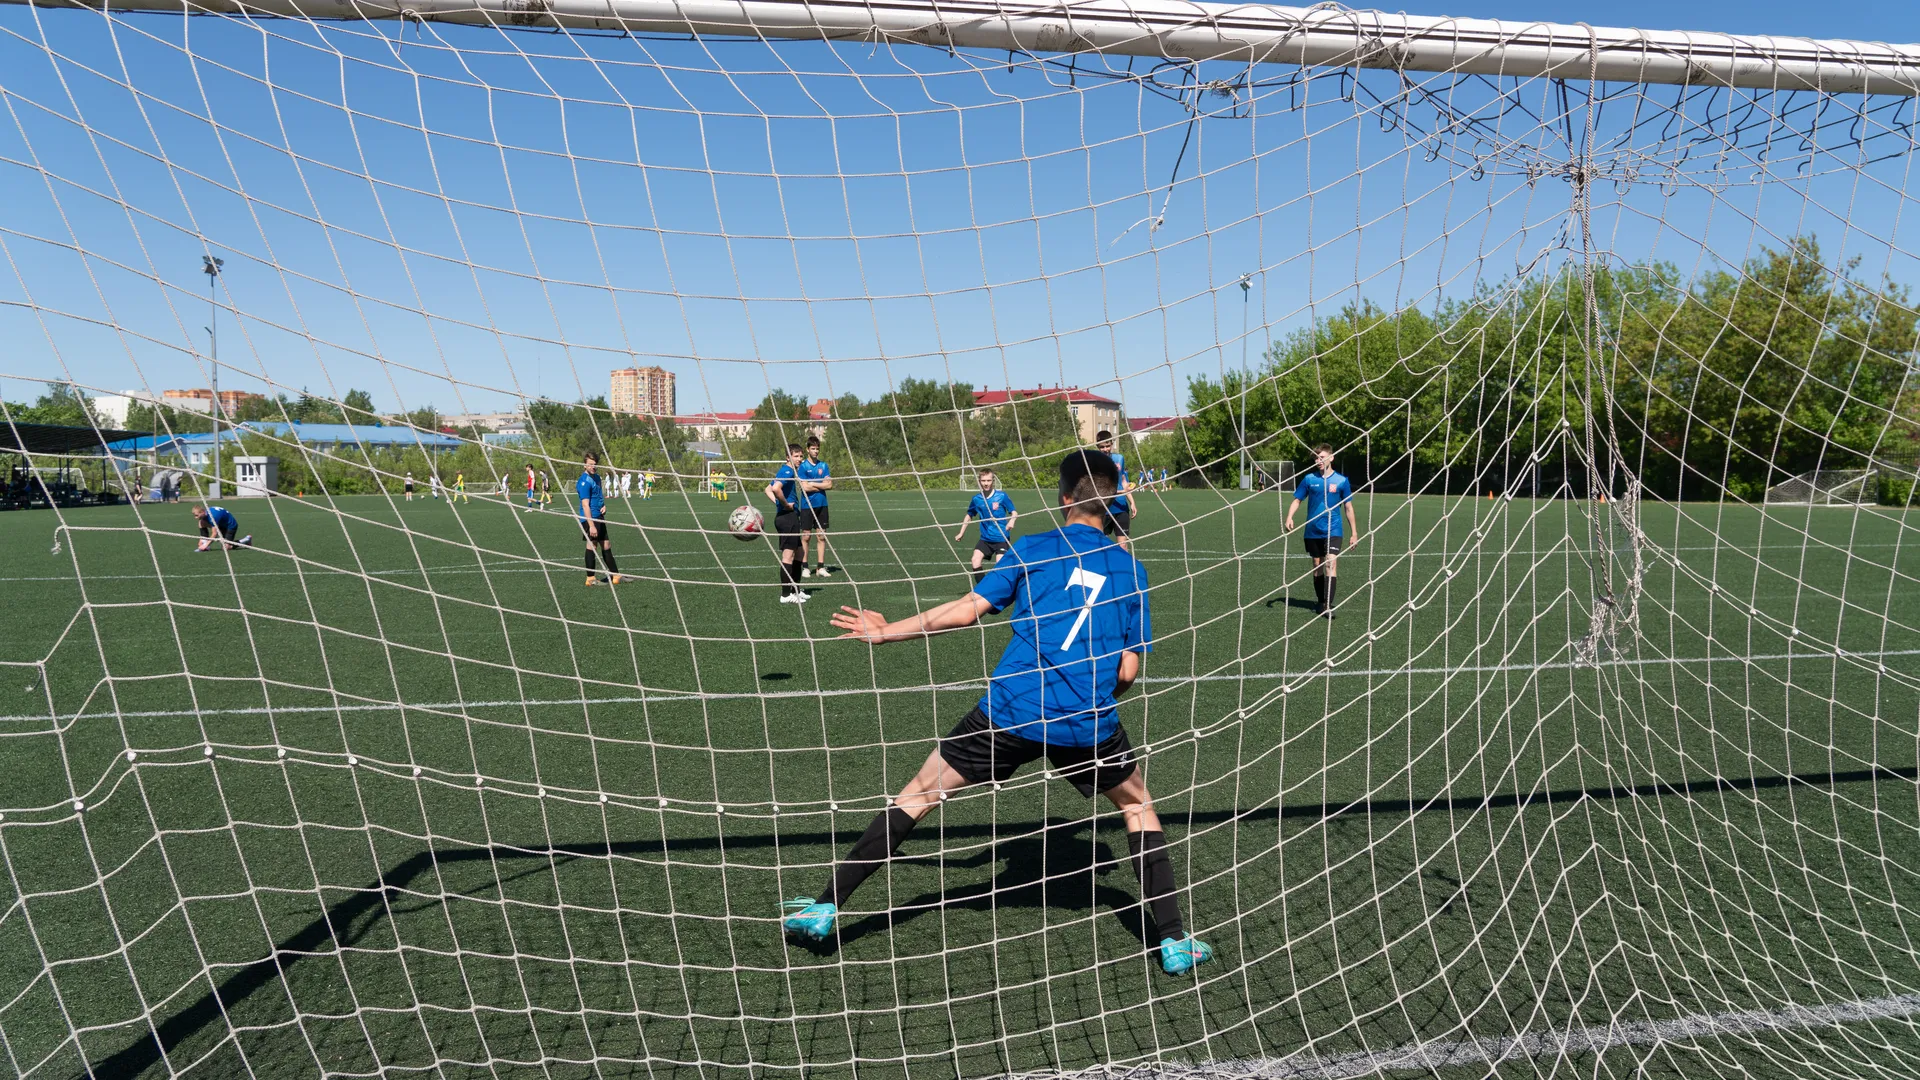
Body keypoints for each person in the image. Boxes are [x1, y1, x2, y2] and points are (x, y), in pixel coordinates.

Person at [784, 450, 1213, 975]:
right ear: (1114, 502)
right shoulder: (1132, 569)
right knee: (1137, 805)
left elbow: (967, 611)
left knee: (919, 794)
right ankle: (1171, 939)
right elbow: (1126, 672)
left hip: (1009, 712)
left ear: (1064, 498)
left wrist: (885, 630)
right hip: (1086, 722)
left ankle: (827, 905)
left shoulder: (1031, 547)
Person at [1283, 443, 1360, 619]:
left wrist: (1354, 533)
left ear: (1331, 458)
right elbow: (1297, 500)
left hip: (1333, 530)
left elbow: (1348, 507)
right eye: (1316, 458)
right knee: (1317, 566)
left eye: (1322, 457)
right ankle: (1320, 601)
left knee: (1330, 563)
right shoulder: (1309, 479)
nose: (1318, 460)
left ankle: (1327, 605)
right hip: (1312, 530)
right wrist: (1289, 517)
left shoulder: (1341, 481)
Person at [954, 468, 1017, 587]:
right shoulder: (976, 499)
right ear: (979, 481)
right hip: (986, 538)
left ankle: (1004, 588)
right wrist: (961, 532)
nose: (986, 483)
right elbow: (969, 515)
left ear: (993, 480)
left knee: (1000, 565)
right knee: (975, 560)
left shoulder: (1002, 496)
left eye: (989, 480)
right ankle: (983, 589)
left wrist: (1011, 522)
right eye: (983, 480)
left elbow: (1014, 512)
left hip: (1001, 538)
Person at [764, 445, 810, 604]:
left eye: (800, 456)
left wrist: (779, 503)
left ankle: (795, 590)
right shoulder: (787, 471)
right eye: (796, 456)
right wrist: (784, 504)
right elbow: (776, 489)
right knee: (788, 555)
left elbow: (767, 489)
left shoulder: (788, 471)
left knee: (799, 553)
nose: (799, 459)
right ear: (788, 457)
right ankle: (785, 595)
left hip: (790, 517)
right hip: (787, 518)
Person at [577, 451, 622, 586]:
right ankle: (590, 577)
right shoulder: (584, 482)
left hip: (599, 516)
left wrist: (603, 506)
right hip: (590, 518)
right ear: (584, 465)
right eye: (590, 464)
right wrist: (590, 525)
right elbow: (585, 505)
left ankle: (616, 575)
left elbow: (598, 497)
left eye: (595, 464)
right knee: (592, 545)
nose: (593, 467)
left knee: (606, 544)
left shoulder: (596, 478)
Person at [797, 435, 834, 578]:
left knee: (821, 536)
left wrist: (813, 483)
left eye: (817, 449)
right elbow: (804, 488)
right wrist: (820, 485)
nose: (816, 451)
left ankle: (820, 567)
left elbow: (829, 485)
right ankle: (805, 567)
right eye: (813, 448)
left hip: (822, 505)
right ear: (807, 450)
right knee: (806, 536)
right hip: (807, 506)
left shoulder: (823, 465)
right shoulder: (803, 467)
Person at [1095, 430, 1135, 553]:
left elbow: (1123, 480)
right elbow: (1101, 489)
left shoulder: (1119, 458)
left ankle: (1126, 571)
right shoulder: (1094, 463)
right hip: (1104, 508)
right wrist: (1121, 491)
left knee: (1123, 546)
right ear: (1098, 447)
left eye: (1108, 446)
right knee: (1104, 546)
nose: (1106, 449)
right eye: (1102, 447)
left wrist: (1132, 502)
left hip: (1121, 507)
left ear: (1112, 444)